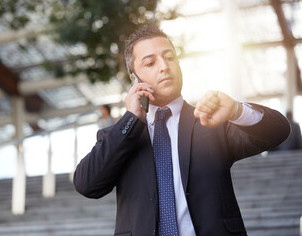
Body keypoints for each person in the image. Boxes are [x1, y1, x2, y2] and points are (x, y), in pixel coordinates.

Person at [73, 25, 290, 236]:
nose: (164, 66)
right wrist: (130, 119)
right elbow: (87, 185)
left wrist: (236, 110)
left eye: (169, 57)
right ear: (134, 80)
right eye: (150, 62)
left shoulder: (210, 121)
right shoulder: (121, 135)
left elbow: (278, 131)